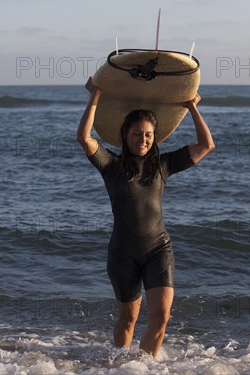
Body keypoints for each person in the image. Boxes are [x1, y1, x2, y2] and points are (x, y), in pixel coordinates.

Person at [76, 77, 214, 358]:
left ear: (155, 136)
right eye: (137, 134)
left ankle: (144, 368)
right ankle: (120, 364)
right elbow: (84, 137)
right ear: (125, 134)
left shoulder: (164, 165)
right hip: (122, 253)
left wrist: (191, 107)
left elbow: (206, 145)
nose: (143, 139)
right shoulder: (110, 165)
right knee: (128, 320)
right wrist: (96, 96)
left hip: (158, 249)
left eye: (149, 134)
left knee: (161, 318)